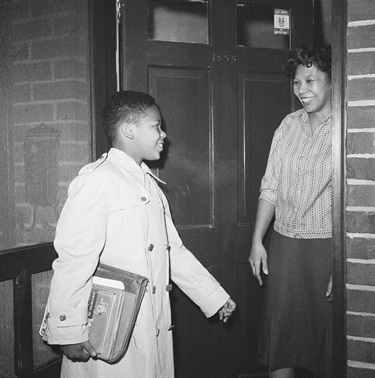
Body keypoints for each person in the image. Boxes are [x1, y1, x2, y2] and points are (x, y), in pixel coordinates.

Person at [40, 90, 236, 378]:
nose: (163, 135)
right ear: (128, 130)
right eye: (156, 126)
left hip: (148, 321)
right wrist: (68, 330)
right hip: (110, 324)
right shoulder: (96, 181)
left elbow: (173, 252)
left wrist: (213, 296)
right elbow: (74, 260)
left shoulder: (149, 185)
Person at [248, 45, 332, 378]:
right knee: (281, 338)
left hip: (326, 248)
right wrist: (257, 240)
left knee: (328, 342)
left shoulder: (348, 128)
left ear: (332, 82)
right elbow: (270, 186)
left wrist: (342, 261)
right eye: (297, 83)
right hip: (284, 246)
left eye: (310, 80)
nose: (301, 91)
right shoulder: (288, 125)